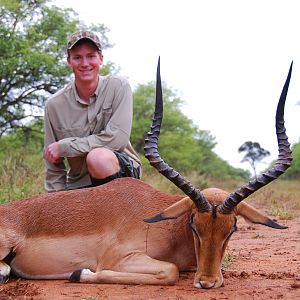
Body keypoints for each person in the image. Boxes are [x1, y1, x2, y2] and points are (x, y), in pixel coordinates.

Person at [43, 30, 141, 192]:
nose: (85, 63)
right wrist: (55, 202)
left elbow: (117, 140)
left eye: (91, 56)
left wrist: (66, 147)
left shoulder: (119, 86)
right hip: (79, 184)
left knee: (98, 158)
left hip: (122, 173)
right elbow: (53, 165)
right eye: (77, 57)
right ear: (69, 61)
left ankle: (118, 211)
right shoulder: (53, 105)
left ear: (101, 58)